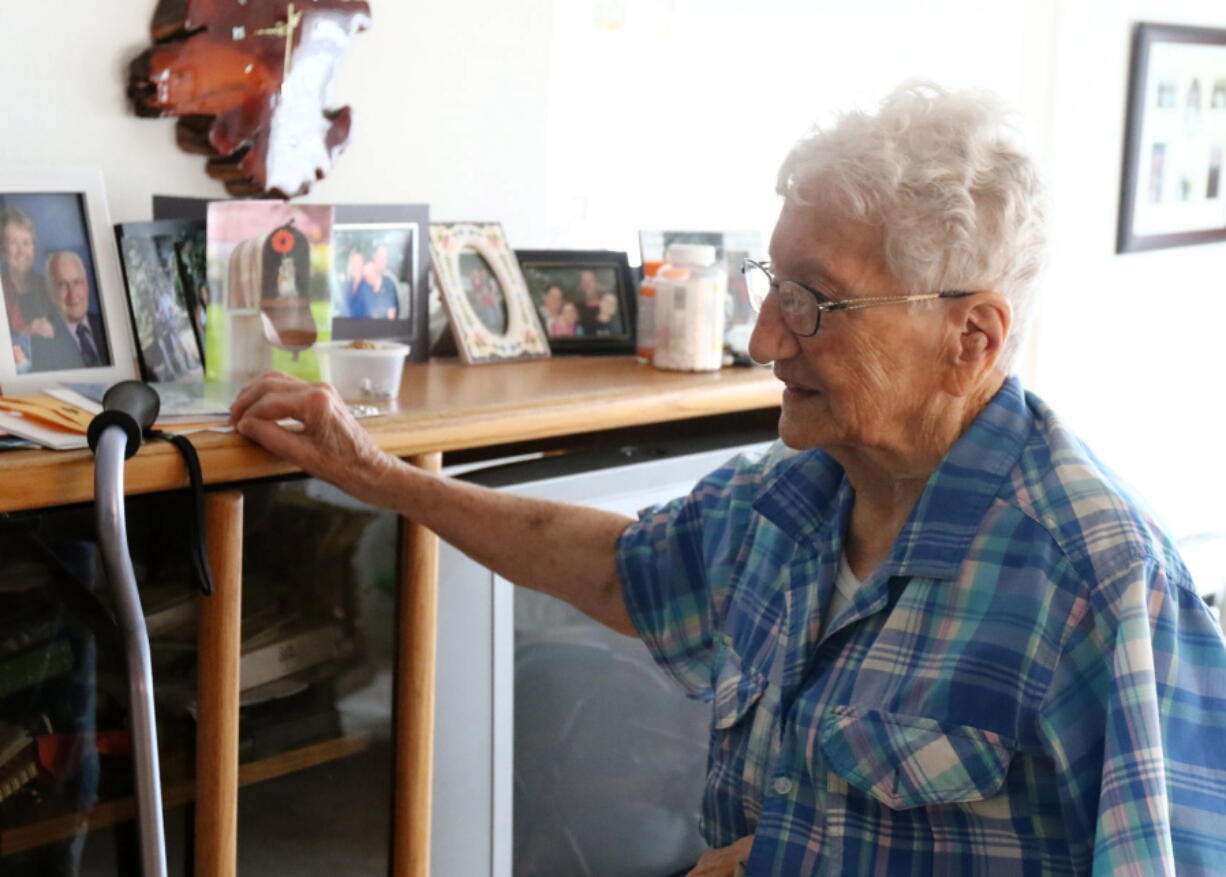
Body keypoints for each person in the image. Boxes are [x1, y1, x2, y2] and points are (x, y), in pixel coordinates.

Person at [228, 81, 1226, 875]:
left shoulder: (1094, 580)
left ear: (969, 336)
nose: (759, 338)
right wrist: (377, 472)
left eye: (814, 301)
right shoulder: (786, 500)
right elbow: (620, 569)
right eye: (769, 282)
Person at [31, 251, 108, 372]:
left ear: (86, 286)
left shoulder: (105, 325)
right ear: (51, 292)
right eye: (62, 285)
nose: (72, 294)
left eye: (77, 282)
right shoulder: (42, 341)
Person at [1, 206, 55, 346]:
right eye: (13, 243)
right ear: (3, 249)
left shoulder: (47, 285)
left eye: (26, 243)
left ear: (33, 246)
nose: (21, 251)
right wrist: (24, 333)